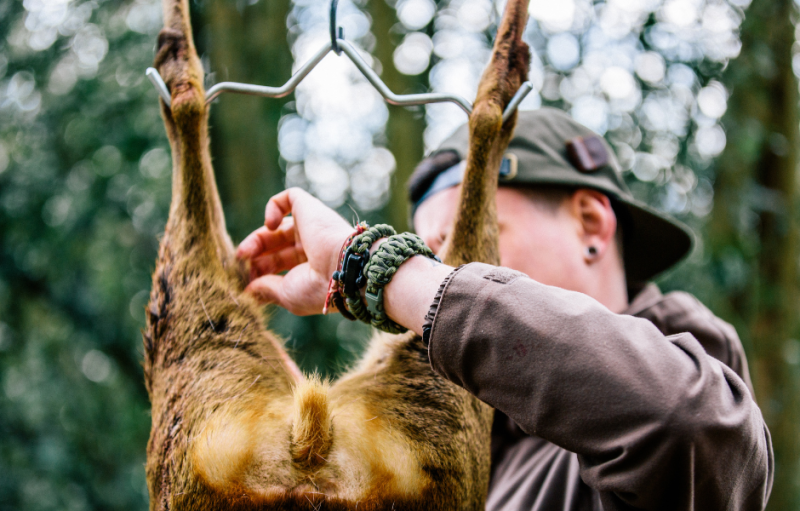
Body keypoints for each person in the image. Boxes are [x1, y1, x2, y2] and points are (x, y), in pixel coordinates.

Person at [236, 108, 773, 510]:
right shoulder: (487, 449)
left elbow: (685, 424)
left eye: (475, 238)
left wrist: (368, 267)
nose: (445, 270)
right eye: (433, 254)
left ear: (590, 224)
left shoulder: (690, 382)